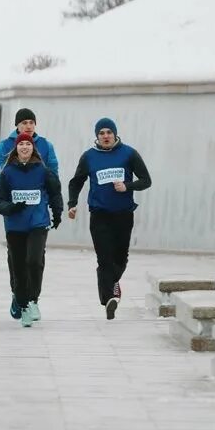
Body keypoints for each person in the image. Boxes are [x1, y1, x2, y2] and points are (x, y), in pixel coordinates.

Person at [66, 117, 152, 320]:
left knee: (120, 259)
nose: (105, 136)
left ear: (115, 134)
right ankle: (109, 298)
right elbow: (75, 182)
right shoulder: (89, 157)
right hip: (99, 215)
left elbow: (146, 181)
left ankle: (112, 284)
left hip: (123, 214)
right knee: (104, 258)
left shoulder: (129, 154)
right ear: (97, 136)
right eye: (101, 133)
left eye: (108, 132)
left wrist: (127, 186)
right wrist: (72, 204)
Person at [0, 132, 62, 327]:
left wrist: (57, 213)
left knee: (34, 260)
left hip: (38, 224)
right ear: (16, 149)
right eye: (21, 144)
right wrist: (11, 208)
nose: (24, 147)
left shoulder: (42, 171)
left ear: (33, 149)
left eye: (28, 144)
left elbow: (55, 192)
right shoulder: (7, 173)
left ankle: (33, 301)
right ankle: (23, 304)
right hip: (15, 227)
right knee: (19, 266)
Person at [0, 108, 59, 187]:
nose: (29, 126)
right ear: (17, 125)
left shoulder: (46, 145)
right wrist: (5, 182)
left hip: (39, 196)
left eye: (31, 122)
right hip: (11, 197)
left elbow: (53, 174)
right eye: (24, 123)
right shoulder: (3, 147)